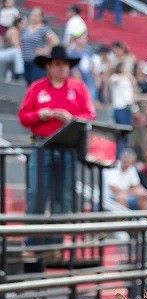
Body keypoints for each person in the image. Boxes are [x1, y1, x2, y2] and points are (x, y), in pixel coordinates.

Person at [18, 45, 95, 246]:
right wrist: (39, 115)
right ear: (49, 66)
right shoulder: (37, 87)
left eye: (65, 65)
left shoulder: (78, 88)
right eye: (58, 64)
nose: (62, 68)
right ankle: (33, 242)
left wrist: (72, 118)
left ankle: (56, 243)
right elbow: (23, 116)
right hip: (42, 146)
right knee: (37, 193)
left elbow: (90, 116)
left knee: (63, 196)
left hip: (68, 148)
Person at [20, 7, 58, 85]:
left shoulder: (43, 29)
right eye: (32, 14)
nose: (33, 17)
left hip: (37, 63)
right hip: (26, 61)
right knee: (29, 85)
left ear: (41, 17)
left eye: (36, 15)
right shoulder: (25, 29)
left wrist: (46, 50)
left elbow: (55, 41)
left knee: (36, 83)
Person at [0, 15, 23, 80]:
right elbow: (17, 45)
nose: (24, 26)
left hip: (6, 54)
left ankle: (12, 75)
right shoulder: (13, 30)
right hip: (2, 53)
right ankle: (19, 72)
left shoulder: (16, 31)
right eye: (22, 24)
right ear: (18, 23)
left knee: (16, 54)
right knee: (17, 51)